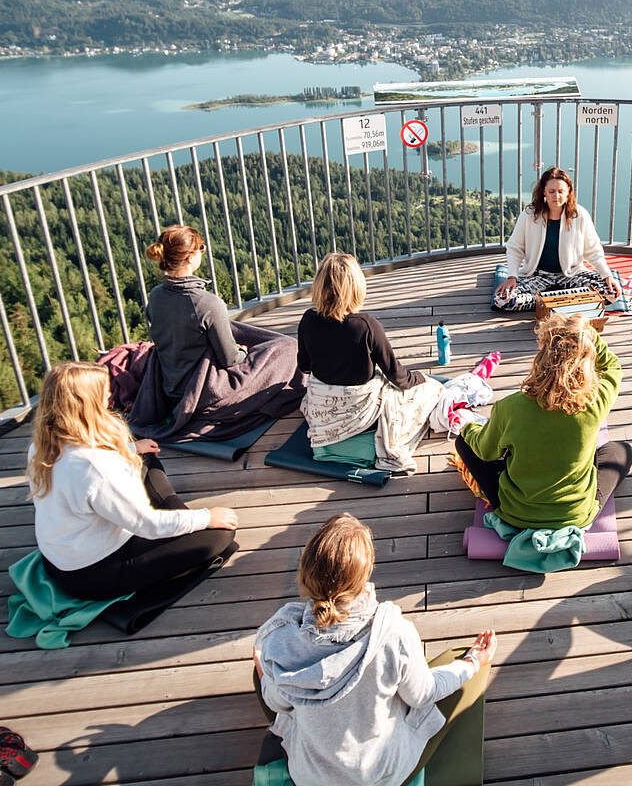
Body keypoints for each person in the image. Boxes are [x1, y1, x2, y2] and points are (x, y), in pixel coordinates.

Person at [255, 514, 495, 786]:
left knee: (259, 672)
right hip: (380, 773)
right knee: (455, 669)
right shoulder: (393, 634)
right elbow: (423, 695)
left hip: (312, 776)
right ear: (365, 574)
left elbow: (278, 703)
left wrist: (265, 670)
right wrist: (472, 662)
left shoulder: (280, 639)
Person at [29, 361, 239, 601]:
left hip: (62, 556)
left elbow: (88, 467)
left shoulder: (42, 444)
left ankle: (177, 520)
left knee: (145, 457)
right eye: (105, 393)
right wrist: (207, 517)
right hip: (94, 573)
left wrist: (130, 448)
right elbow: (147, 525)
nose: (110, 396)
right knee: (220, 536)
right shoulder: (95, 467)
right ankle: (180, 522)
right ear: (87, 406)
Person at [453, 313, 632, 529]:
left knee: (464, 442)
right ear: (586, 358)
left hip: (515, 513)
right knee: (622, 451)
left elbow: (485, 452)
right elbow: (612, 367)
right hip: (575, 516)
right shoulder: (595, 401)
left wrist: (470, 428)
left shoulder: (509, 407)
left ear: (542, 357)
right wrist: (587, 334)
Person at [129, 224, 304, 442]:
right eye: (201, 248)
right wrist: (242, 352)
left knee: (240, 333)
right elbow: (230, 359)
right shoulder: (207, 303)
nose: (203, 252)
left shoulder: (155, 296)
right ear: (191, 258)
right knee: (287, 349)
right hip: (207, 396)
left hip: (172, 391)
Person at [297, 252, 447, 473]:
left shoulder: (308, 320)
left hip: (325, 409)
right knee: (433, 390)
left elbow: (305, 366)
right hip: (361, 411)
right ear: (356, 287)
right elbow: (398, 377)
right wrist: (422, 378)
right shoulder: (366, 326)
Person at [494, 166, 623, 311]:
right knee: (502, 300)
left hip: (571, 274)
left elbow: (593, 250)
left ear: (568, 192)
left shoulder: (580, 215)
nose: (556, 196)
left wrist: (607, 275)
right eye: (551, 191)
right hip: (538, 276)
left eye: (561, 191)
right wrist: (512, 277)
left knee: (610, 293)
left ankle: (545, 302)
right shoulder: (529, 215)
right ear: (544, 192)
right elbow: (514, 248)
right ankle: (565, 301)